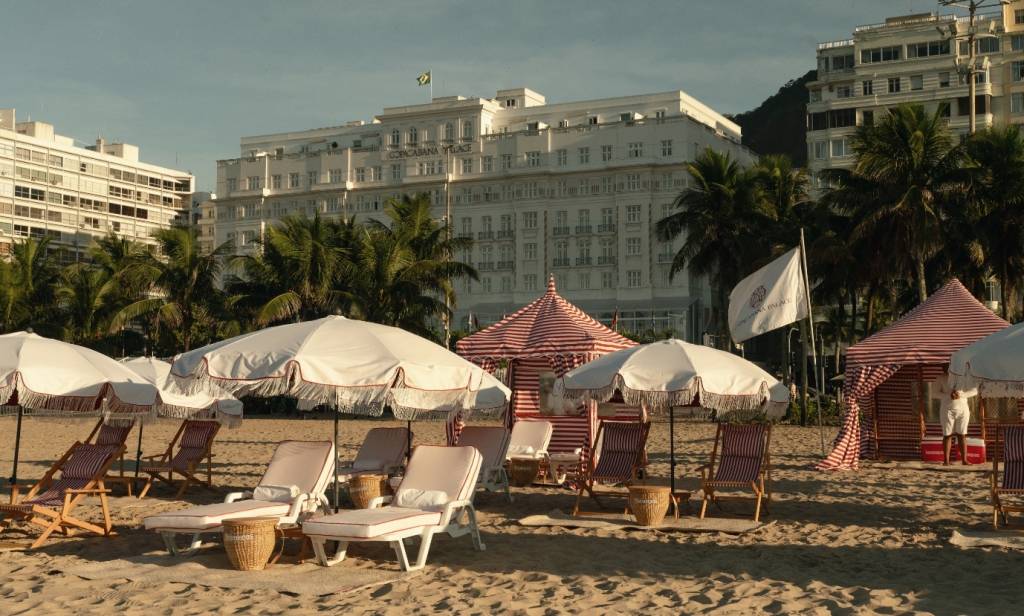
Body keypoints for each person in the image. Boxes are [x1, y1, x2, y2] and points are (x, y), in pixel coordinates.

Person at [936, 372, 978, 465]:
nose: (948, 367)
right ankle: (946, 461)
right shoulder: (941, 377)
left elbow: (975, 391)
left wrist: (961, 395)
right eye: (946, 365)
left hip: (963, 409)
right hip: (947, 409)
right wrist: (948, 395)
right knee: (947, 435)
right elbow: (934, 393)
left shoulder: (965, 377)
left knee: (962, 434)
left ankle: (964, 460)